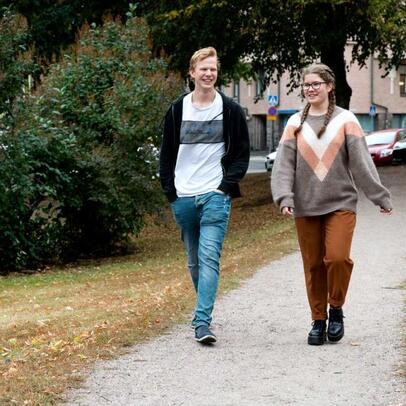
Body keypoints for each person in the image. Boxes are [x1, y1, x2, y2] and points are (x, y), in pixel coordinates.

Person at [271, 63, 393, 346]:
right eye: (306, 85)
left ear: (329, 86)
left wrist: (380, 196)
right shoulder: (294, 124)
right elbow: (283, 166)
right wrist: (284, 197)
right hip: (306, 205)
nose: (310, 89)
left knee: (337, 258)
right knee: (313, 265)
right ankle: (318, 320)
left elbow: (362, 164)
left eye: (316, 84)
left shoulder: (346, 120)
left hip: (341, 203)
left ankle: (335, 308)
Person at [159, 47, 250, 344]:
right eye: (203, 69)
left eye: (213, 69)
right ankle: (204, 308)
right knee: (194, 261)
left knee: (209, 257)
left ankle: (202, 322)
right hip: (183, 196)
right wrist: (171, 192)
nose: (209, 73)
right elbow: (166, 155)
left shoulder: (230, 110)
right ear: (192, 73)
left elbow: (241, 154)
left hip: (214, 195)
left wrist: (224, 187)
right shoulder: (177, 110)